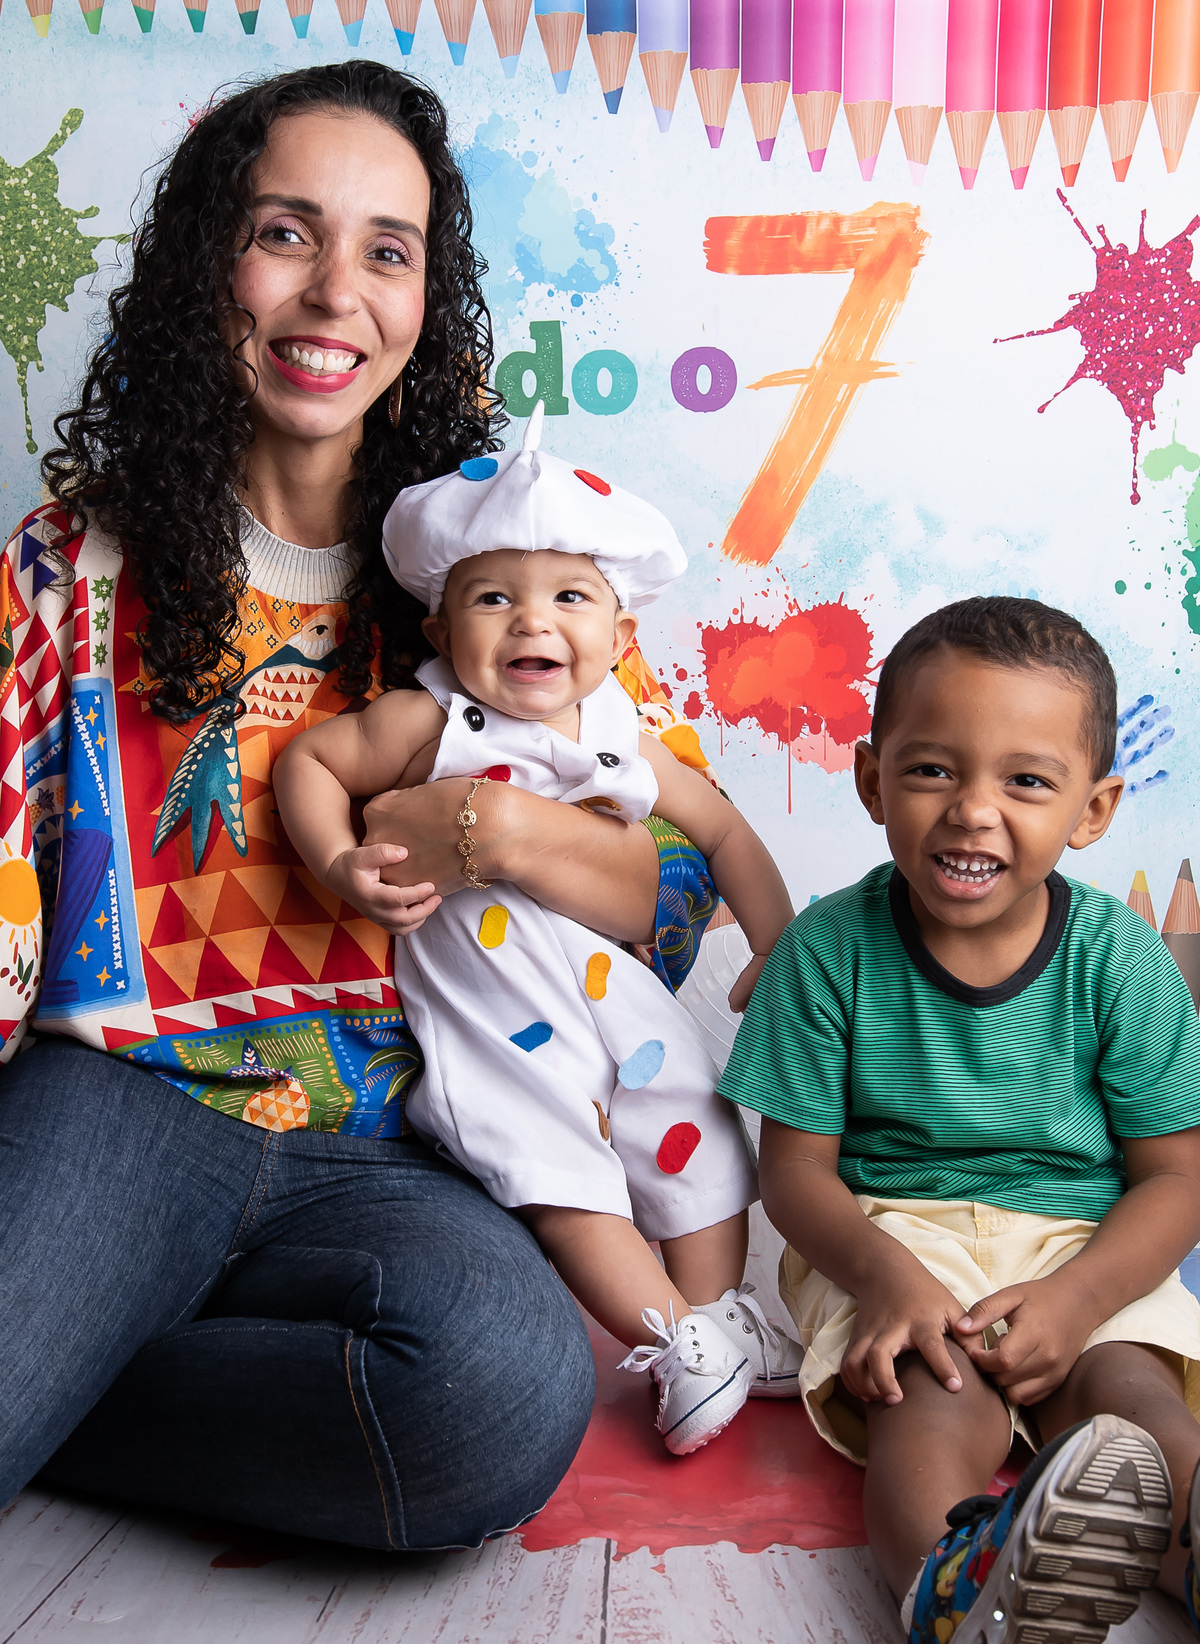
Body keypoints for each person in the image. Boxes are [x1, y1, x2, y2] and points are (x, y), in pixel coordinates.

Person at [0, 62, 727, 1550]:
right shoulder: (70, 567)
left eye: (386, 250)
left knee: (497, 1401)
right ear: (208, 265)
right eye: (285, 233)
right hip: (117, 1108)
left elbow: (669, 895)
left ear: (424, 296)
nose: (335, 293)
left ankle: (68, 1377)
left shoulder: (506, 566)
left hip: (412, 1136)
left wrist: (500, 834)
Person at [274, 409, 801, 1456]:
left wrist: (776, 946)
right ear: (441, 633)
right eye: (493, 598)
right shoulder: (430, 722)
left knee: (694, 1123)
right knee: (555, 1166)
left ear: (620, 636)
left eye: (569, 597)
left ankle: (717, 1322)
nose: (532, 623)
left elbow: (724, 830)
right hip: (492, 1012)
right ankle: (671, 1338)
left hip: (615, 993)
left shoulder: (623, 734)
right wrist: (338, 862)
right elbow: (310, 762)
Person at [719, 596, 1200, 1642]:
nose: (973, 811)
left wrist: (1078, 1299)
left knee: (1134, 1398)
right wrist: (889, 1278)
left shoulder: (1120, 959)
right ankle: (954, 1586)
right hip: (895, 1234)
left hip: (1081, 1244)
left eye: (1026, 781)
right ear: (871, 780)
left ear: (1094, 809)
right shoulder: (827, 951)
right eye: (933, 770)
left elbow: (1176, 1176)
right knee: (927, 1400)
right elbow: (794, 1174)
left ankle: (1189, 1547)